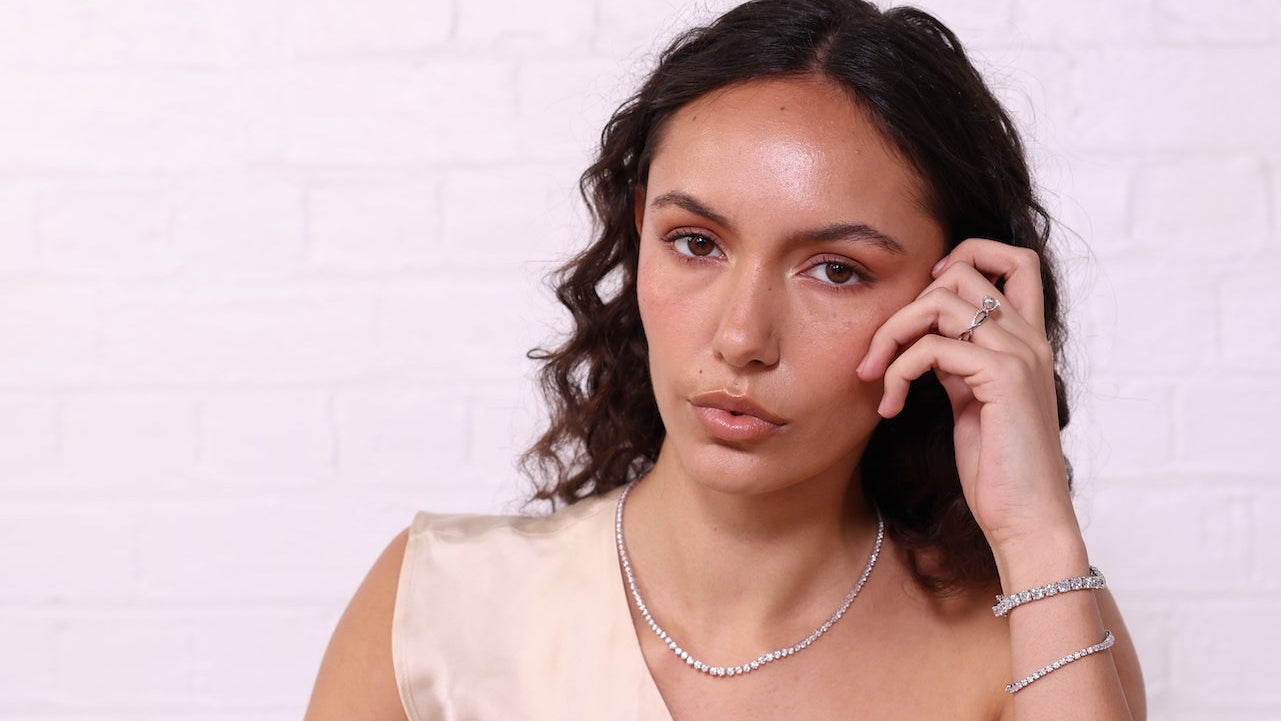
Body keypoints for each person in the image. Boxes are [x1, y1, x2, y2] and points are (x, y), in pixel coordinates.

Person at [304, 1, 1145, 719]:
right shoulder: (436, 606)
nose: (742, 337)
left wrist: (1034, 533)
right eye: (695, 243)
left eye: (837, 269)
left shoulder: (1037, 623)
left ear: (952, 297)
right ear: (638, 235)